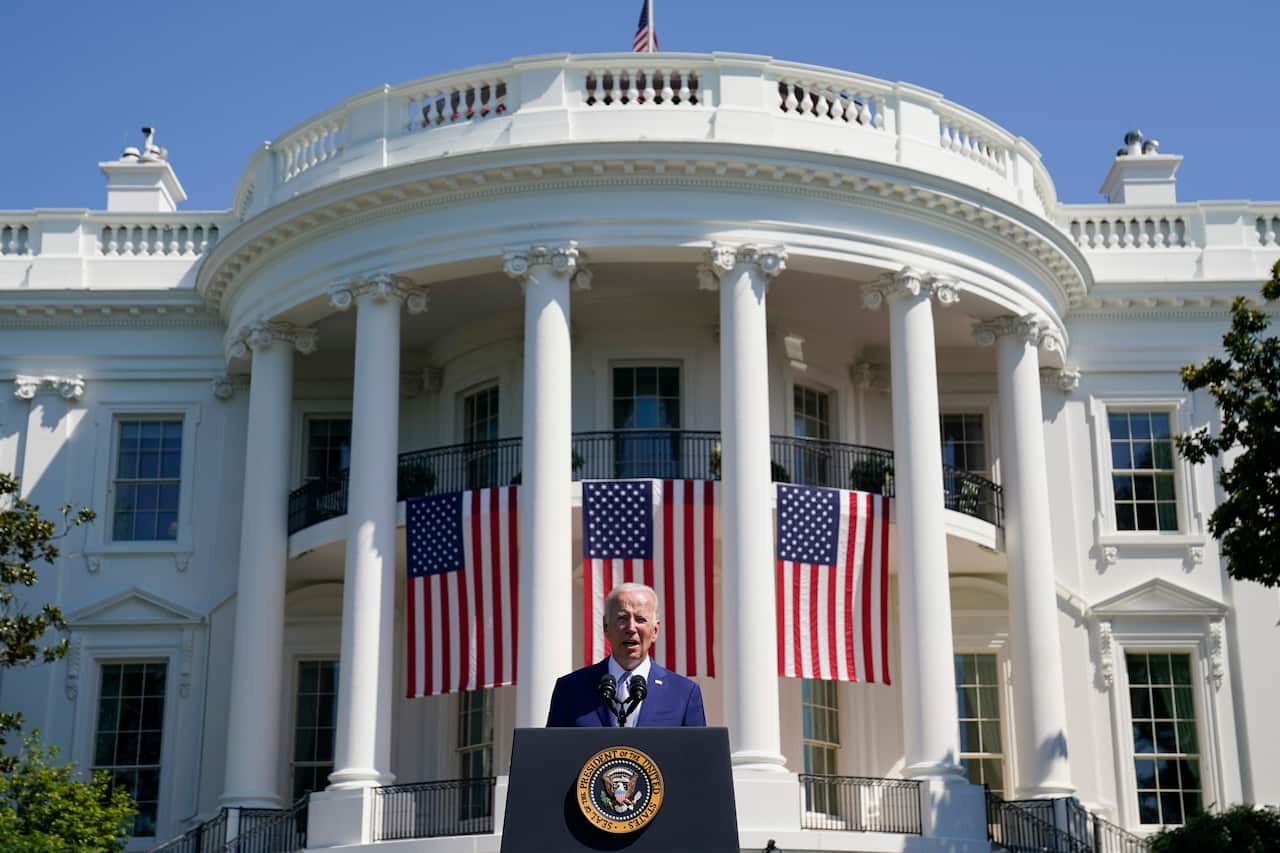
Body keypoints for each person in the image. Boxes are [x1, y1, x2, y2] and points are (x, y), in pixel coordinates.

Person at [546, 582, 706, 727]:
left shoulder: (683, 693)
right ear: (606, 627)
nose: (631, 628)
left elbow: (697, 756)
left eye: (640, 619)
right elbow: (554, 754)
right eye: (622, 618)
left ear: (655, 630)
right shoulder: (570, 689)